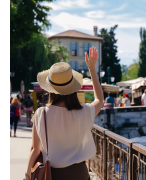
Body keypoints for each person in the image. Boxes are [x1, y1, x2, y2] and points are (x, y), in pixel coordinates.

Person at [25, 47, 103, 180]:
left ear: (50, 90)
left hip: (53, 175)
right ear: (72, 88)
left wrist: (27, 175)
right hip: (80, 174)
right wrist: (92, 69)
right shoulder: (84, 112)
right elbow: (99, 100)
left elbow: (35, 150)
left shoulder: (41, 114)